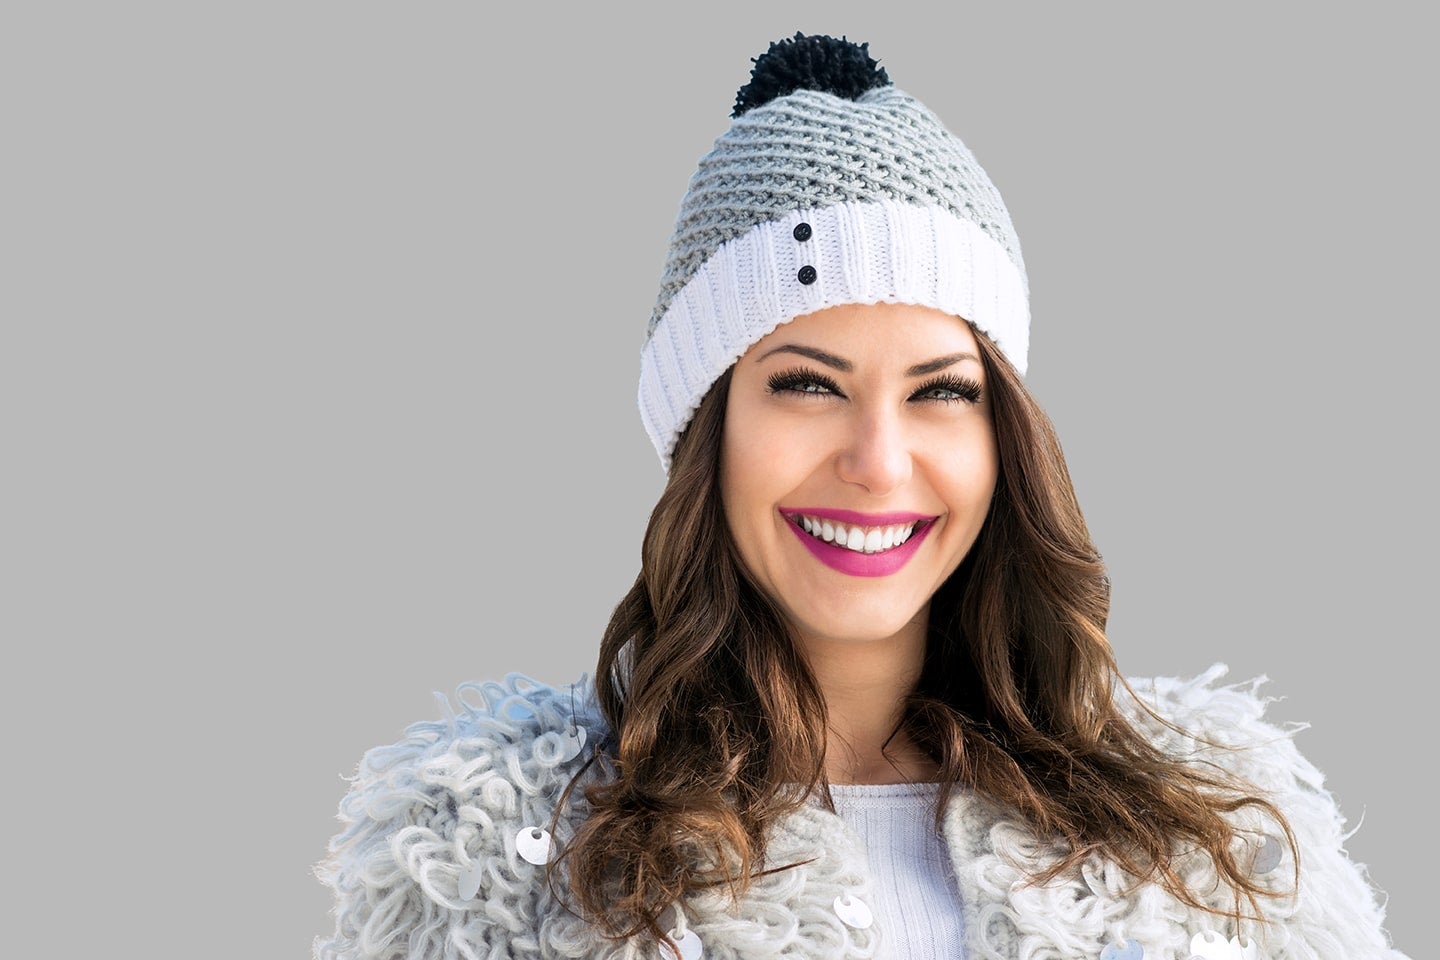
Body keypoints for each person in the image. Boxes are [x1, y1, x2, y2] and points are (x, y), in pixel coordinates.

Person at [313, 33, 1406, 960]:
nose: (879, 461)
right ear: (708, 431)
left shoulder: (1213, 838)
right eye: (805, 384)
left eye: (941, 391)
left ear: (1004, 439)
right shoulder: (501, 849)